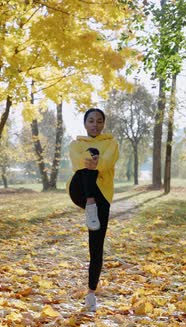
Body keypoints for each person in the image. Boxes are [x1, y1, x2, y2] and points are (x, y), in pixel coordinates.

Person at [67, 108, 119, 312]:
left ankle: (91, 295)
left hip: (103, 197)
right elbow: (77, 162)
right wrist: (93, 161)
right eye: (91, 121)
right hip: (80, 190)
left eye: (99, 121)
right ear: (85, 123)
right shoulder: (76, 144)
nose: (95, 124)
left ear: (103, 124)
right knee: (86, 169)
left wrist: (92, 160)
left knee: (96, 247)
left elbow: (107, 162)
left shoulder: (111, 143)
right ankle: (89, 205)